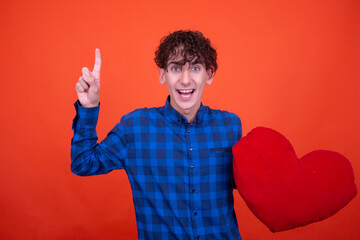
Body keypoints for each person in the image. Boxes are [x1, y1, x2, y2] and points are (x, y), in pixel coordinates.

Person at [71, 30, 242, 240]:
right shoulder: (136, 127)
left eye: (195, 68)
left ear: (209, 74)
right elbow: (82, 163)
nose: (185, 80)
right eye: (176, 68)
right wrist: (89, 107)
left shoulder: (229, 126)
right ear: (163, 75)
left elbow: (249, 184)